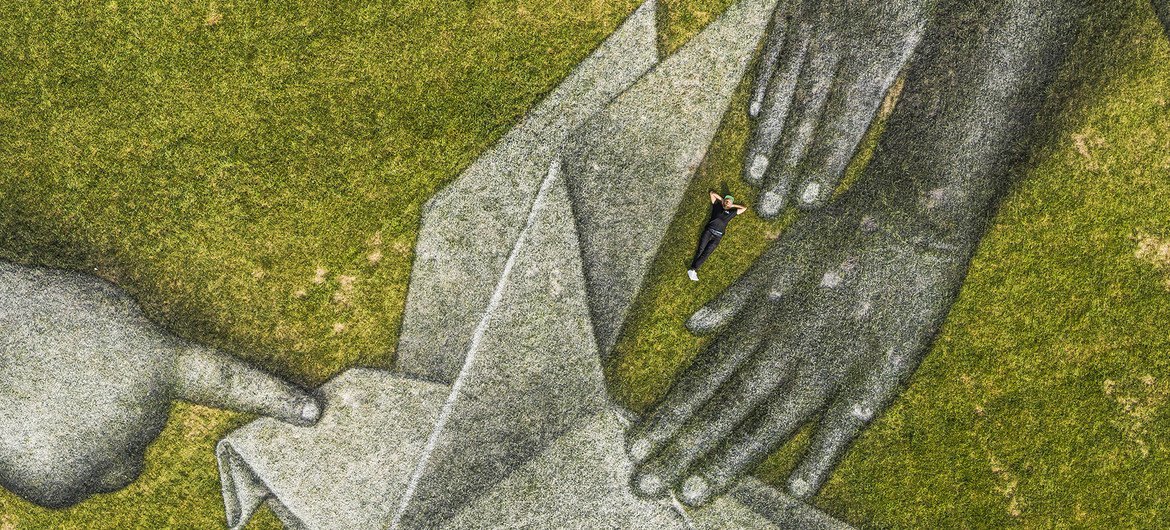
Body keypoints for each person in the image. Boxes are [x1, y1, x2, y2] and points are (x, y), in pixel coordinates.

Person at [687, 192, 748, 281]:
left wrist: (732, 205)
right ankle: (693, 270)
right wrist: (722, 200)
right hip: (708, 231)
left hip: (717, 236)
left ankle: (693, 269)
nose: (728, 202)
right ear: (724, 201)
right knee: (700, 249)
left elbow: (744, 208)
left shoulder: (732, 212)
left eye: (729, 202)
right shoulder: (717, 206)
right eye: (726, 201)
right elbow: (712, 194)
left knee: (707, 253)